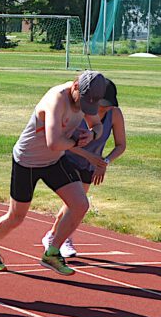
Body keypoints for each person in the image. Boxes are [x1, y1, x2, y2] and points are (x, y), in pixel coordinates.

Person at [0, 70, 107, 277]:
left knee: (80, 204)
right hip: (27, 161)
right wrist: (77, 141)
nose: (85, 108)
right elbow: (54, 142)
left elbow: (98, 125)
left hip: (53, 161)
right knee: (16, 216)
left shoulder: (86, 100)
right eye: (84, 102)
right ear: (75, 86)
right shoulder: (56, 99)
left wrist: (91, 134)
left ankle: (52, 251)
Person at [42, 79, 127, 258]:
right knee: (75, 203)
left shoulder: (115, 115)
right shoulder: (78, 110)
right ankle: (63, 239)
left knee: (75, 204)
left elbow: (121, 145)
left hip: (90, 164)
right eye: (101, 106)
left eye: (108, 107)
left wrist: (104, 162)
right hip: (68, 159)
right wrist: (91, 157)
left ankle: (53, 235)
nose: (104, 110)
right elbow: (61, 140)